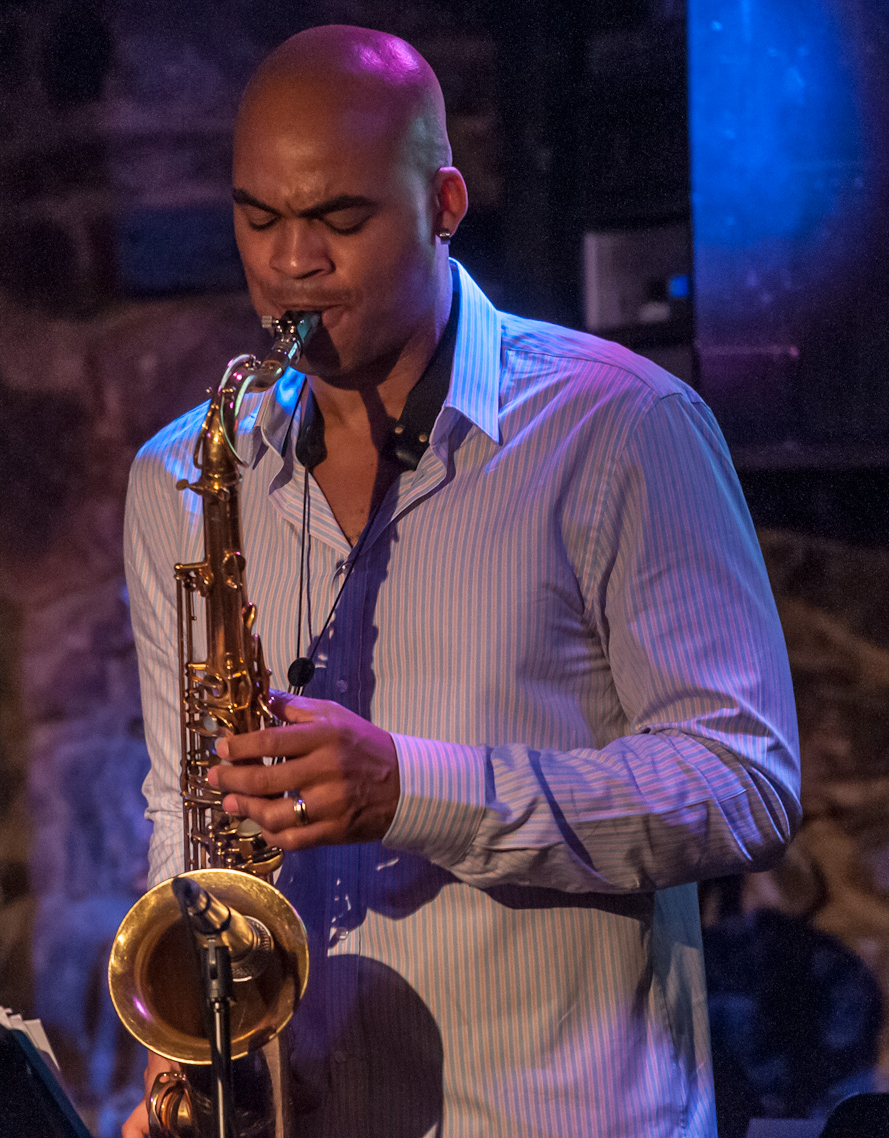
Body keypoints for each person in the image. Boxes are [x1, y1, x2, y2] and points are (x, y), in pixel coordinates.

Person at [122, 24, 800, 1138]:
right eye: (259, 217)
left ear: (444, 203)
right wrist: (181, 1059)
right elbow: (182, 807)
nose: (292, 263)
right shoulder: (179, 478)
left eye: (340, 219)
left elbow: (746, 779)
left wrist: (411, 790)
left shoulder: (623, 430)